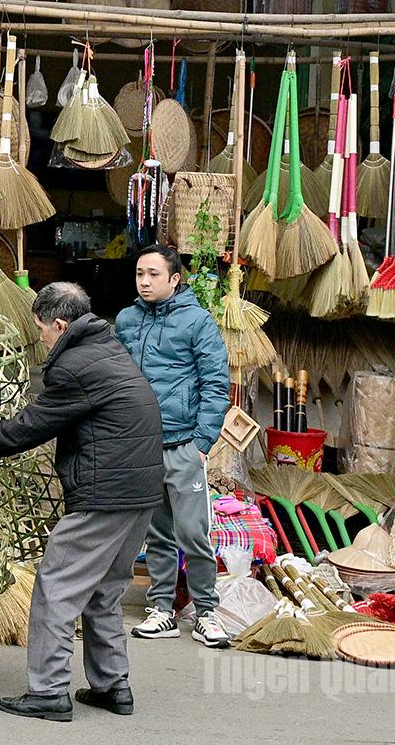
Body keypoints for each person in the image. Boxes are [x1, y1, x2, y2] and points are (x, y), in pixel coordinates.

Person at [0, 282, 163, 722]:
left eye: (42, 330)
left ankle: (47, 692)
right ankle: (111, 685)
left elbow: (33, 425)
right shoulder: (108, 348)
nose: (42, 338)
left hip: (105, 494)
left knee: (56, 588)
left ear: (60, 324)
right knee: (104, 590)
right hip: (140, 492)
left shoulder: (74, 365)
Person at [113, 244, 232, 649]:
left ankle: (206, 611)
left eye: (153, 275)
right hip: (142, 445)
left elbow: (217, 384)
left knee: (193, 532)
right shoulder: (127, 320)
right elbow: (116, 377)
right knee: (157, 534)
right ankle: (161, 608)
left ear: (174, 279)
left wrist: (202, 443)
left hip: (183, 443)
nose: (144, 281)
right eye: (139, 274)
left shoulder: (198, 322)